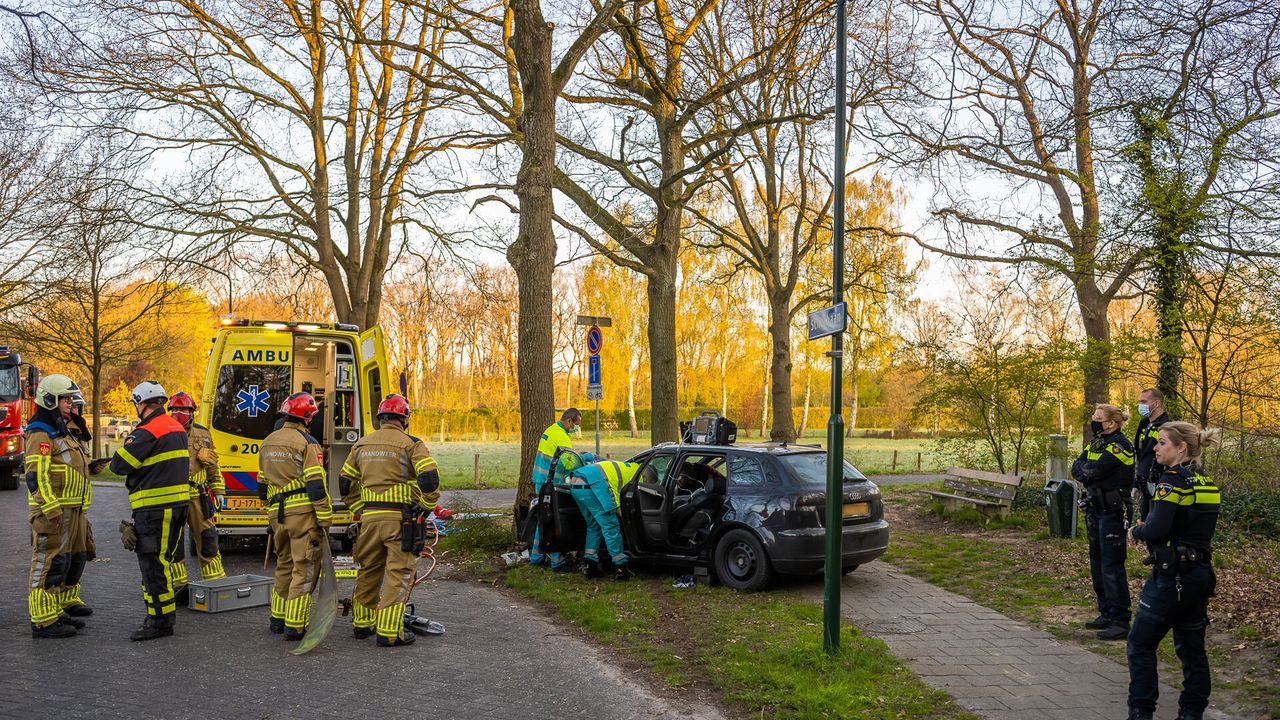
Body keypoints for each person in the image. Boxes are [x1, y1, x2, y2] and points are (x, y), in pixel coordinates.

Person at [1126, 422, 1221, 720]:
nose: (1155, 448)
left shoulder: (1171, 482)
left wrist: (1137, 531)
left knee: (1140, 644)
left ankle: (1141, 712)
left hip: (1172, 578)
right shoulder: (1206, 482)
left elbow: (1158, 527)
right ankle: (1191, 713)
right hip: (1199, 575)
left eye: (1162, 442)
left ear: (1181, 448)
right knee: (1192, 649)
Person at [339, 394, 440, 647]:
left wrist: (361, 508)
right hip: (402, 521)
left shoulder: (360, 445)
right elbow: (429, 478)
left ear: (380, 418)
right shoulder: (412, 444)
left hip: (370, 520)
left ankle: (362, 625)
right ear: (404, 419)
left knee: (368, 571)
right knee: (399, 573)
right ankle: (389, 632)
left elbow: (345, 483)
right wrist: (425, 508)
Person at [109, 381, 191, 641]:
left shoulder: (147, 431)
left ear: (142, 403)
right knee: (163, 562)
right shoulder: (176, 426)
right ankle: (163, 618)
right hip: (177, 506)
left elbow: (119, 465)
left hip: (155, 509)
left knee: (153, 565)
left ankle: (159, 622)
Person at [23, 375, 92, 639]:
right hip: (52, 512)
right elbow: (35, 476)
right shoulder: (40, 431)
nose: (69, 403)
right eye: (64, 399)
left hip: (70, 509)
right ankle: (42, 620)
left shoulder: (58, 429)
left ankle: (55, 609)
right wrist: (51, 508)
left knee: (65, 562)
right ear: (50, 399)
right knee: (47, 564)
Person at [259, 392, 331, 640]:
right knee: (304, 568)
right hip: (301, 514)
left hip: (275, 514)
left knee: (284, 565)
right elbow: (315, 485)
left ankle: (277, 620)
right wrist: (325, 517)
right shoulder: (307, 442)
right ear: (307, 416)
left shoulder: (268, 441)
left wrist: (269, 511)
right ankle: (295, 625)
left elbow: (261, 484)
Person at [1071, 403, 1136, 640]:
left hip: (1113, 512)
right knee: (1097, 563)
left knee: (1112, 566)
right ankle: (1106, 612)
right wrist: (1085, 470)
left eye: (1098, 417)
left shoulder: (1121, 446)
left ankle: (1120, 619)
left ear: (1111, 423)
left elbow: (1091, 472)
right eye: (1094, 416)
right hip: (1095, 510)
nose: (1094, 420)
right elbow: (1077, 469)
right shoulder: (1097, 443)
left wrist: (1086, 470)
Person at [167, 392, 226, 590]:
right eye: (175, 409)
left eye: (183, 409)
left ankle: (215, 583)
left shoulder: (203, 433)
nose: (179, 413)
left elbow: (212, 465)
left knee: (208, 538)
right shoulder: (164, 432)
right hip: (172, 497)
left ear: (192, 412)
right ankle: (178, 586)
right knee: (173, 544)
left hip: (197, 497)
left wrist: (217, 489)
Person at [566, 455, 638, 581]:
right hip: (593, 485)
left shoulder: (628, 466)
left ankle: (590, 566)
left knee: (593, 525)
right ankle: (621, 568)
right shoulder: (637, 477)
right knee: (610, 526)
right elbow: (619, 497)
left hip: (576, 483)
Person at [528, 408, 581, 570]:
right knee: (555, 520)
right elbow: (569, 463)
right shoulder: (561, 436)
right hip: (550, 484)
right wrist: (583, 459)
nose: (576, 428)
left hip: (540, 480)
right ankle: (557, 560)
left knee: (544, 519)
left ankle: (536, 556)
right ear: (569, 421)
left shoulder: (551, 429)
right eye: (576, 424)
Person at [1133, 388, 1172, 521]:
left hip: (1158, 480)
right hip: (1143, 480)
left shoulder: (1166, 426)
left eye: (1144, 401)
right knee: (1144, 520)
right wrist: (1137, 482)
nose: (1140, 405)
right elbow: (1140, 454)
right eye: (1139, 402)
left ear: (1157, 403)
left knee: (1154, 520)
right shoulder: (1145, 424)